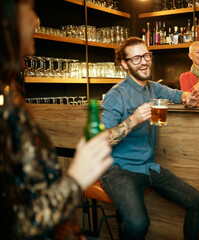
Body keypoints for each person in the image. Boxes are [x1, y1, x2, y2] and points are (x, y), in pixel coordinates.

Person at [0, 0, 114, 239]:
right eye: (30, 8)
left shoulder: (9, 93)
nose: (36, 21)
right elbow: (17, 225)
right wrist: (75, 179)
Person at [100, 37, 199, 240]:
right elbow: (100, 142)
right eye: (136, 58)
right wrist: (133, 120)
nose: (144, 61)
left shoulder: (153, 88)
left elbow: (178, 94)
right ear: (124, 64)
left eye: (146, 55)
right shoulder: (117, 95)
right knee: (139, 224)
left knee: (198, 202)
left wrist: (188, 98)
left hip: (147, 167)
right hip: (118, 170)